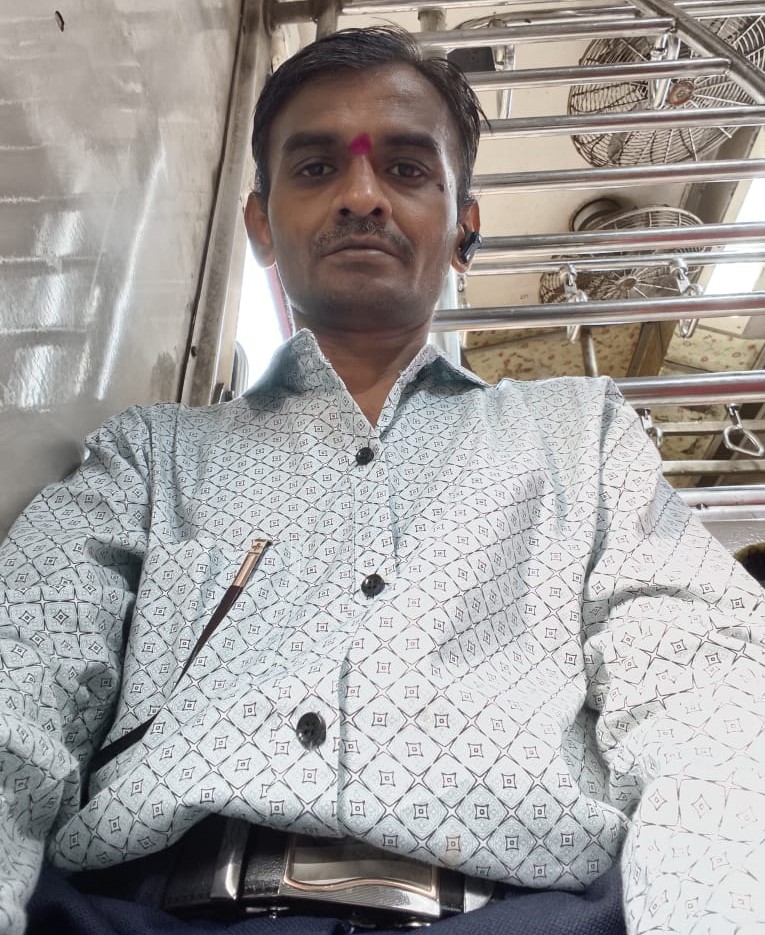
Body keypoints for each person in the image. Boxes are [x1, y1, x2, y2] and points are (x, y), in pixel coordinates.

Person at [1, 25, 763, 935]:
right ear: (260, 225)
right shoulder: (149, 458)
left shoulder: (583, 439)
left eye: (405, 168)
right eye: (316, 167)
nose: (361, 194)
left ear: (464, 227)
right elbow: (20, 685)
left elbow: (706, 701)